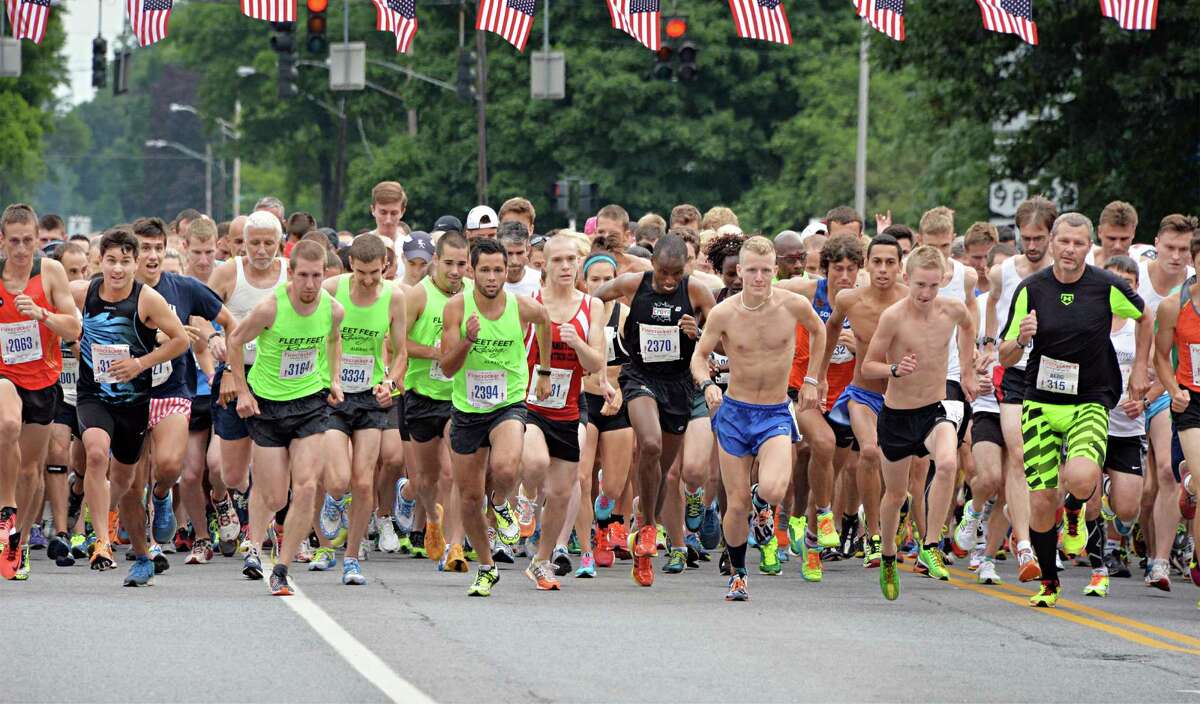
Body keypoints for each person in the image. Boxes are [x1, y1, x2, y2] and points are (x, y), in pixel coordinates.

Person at [999, 212, 1150, 608]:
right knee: (1040, 499)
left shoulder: (1106, 286)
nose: (1070, 250)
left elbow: (1145, 316)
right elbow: (1005, 352)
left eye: (1079, 244)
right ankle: (1049, 583)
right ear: (1052, 242)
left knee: (1081, 478)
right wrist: (1020, 338)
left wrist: (1139, 369)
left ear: (1090, 247)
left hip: (1090, 400)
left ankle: (1075, 510)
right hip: (1041, 402)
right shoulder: (1031, 289)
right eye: (1064, 242)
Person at [692, 236, 825, 601]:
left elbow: (819, 330)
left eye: (766, 271)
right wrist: (706, 385)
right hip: (735, 412)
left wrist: (814, 378)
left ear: (776, 271)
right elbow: (699, 356)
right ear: (739, 271)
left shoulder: (793, 305)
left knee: (773, 488)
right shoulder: (725, 313)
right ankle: (738, 574)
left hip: (775, 412)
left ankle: (762, 505)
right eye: (751, 270)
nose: (759, 278)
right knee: (735, 505)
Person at [594, 234, 717, 587]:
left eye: (675, 274)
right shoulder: (634, 284)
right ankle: (647, 526)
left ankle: (645, 533)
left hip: (679, 385)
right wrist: (593, 335)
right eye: (663, 272)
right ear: (653, 266)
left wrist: (701, 331)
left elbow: (720, 338)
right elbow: (590, 301)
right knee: (649, 445)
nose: (668, 281)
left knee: (662, 472)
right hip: (640, 377)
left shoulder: (696, 293)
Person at [70, 227, 189, 585]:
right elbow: (51, 303)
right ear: (99, 261)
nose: (117, 269)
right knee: (94, 453)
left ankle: (140, 553)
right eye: (111, 261)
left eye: (125, 262)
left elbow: (180, 340)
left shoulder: (147, 299)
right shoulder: (85, 292)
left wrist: (141, 363)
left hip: (132, 403)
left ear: (136, 263)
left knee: (128, 487)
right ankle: (102, 541)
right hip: (94, 395)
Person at [228, 240, 345, 596]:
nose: (311, 284)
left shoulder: (333, 309)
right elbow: (235, 341)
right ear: (291, 274)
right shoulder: (269, 309)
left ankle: (282, 568)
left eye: (318, 276)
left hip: (310, 402)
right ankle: (257, 542)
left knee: (308, 484)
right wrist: (243, 392)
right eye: (304, 276)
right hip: (267, 405)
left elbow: (334, 339)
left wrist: (335, 378)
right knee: (276, 496)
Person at [860, 246, 977, 600]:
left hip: (933, 409)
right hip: (896, 416)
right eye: (920, 286)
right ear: (906, 279)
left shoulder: (952, 309)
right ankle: (888, 556)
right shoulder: (894, 317)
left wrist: (968, 370)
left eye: (933, 286)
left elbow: (969, 327)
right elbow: (868, 366)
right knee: (895, 494)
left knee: (947, 463)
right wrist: (894, 369)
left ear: (943, 281)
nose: (926, 294)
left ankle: (931, 543)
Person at [439, 237, 551, 597]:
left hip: (508, 401)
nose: (491, 277)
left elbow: (545, 321)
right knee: (470, 497)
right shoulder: (457, 308)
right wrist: (468, 341)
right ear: (471, 271)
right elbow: (447, 367)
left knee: (505, 468)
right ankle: (487, 566)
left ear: (507, 272)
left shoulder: (520, 306)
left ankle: (501, 503)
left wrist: (545, 371)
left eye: (498, 270)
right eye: (484, 270)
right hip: (468, 408)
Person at [129, 217, 237, 562]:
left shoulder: (184, 288)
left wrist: (229, 364)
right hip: (127, 391)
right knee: (134, 475)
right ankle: (146, 545)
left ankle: (161, 495)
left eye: (158, 248)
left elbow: (230, 321)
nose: (152, 256)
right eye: (145, 248)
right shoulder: (116, 290)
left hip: (172, 390)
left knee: (170, 466)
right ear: (132, 253)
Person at [318, 234, 407, 585]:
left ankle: (352, 558)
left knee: (364, 479)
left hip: (371, 395)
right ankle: (333, 499)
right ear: (350, 265)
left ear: (384, 265)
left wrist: (392, 383)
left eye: (375, 272)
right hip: (334, 396)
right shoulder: (331, 289)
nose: (369, 280)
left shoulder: (393, 296)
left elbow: (401, 353)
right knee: (339, 480)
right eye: (361, 272)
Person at [815, 234, 908, 569]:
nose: (883, 269)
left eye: (890, 262)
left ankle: (902, 530)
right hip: (862, 393)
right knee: (868, 451)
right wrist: (820, 375)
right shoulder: (850, 299)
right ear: (867, 265)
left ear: (900, 267)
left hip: (903, 397)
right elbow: (829, 329)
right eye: (877, 262)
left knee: (904, 470)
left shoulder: (912, 301)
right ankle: (872, 535)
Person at [519, 235, 606, 589]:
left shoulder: (591, 307)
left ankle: (541, 561)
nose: (566, 267)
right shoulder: (529, 304)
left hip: (568, 409)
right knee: (536, 463)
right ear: (544, 264)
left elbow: (595, 363)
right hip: (529, 406)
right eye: (558, 261)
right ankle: (524, 500)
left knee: (559, 493)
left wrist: (577, 342)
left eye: (572, 260)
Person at [0, 204, 81, 581]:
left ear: (37, 241)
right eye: (13, 241)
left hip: (43, 379)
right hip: (4, 376)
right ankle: (5, 510)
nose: (20, 250)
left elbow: (74, 329)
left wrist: (42, 314)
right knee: (7, 424)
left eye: (27, 241)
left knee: (31, 470)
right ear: (2, 241)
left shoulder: (50, 272)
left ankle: (17, 540)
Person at [206, 210, 290, 559]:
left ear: (279, 244)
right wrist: (213, 337)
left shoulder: (289, 273)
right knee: (232, 472)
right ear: (243, 243)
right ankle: (227, 498)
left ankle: (263, 526)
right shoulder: (229, 272)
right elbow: (200, 310)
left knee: (269, 463)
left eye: (268, 243)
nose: (260, 250)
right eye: (254, 242)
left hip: (276, 379)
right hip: (234, 373)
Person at [984, 195, 1057, 582]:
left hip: (1057, 375)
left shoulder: (1069, 271)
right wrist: (987, 344)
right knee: (1017, 450)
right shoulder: (1004, 272)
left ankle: (1033, 520)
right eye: (1025, 238)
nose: (1031, 246)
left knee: (1046, 466)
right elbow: (992, 306)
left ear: (1052, 234)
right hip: (1016, 369)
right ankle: (1025, 543)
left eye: (1038, 238)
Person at [394, 232, 471, 567]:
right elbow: (395, 344)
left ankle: (456, 544)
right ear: (436, 260)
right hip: (421, 395)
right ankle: (433, 520)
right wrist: (435, 354)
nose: (455, 270)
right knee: (426, 478)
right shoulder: (417, 296)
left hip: (457, 397)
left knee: (453, 473)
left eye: (461, 264)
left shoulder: (472, 294)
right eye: (449, 263)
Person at [1135, 214, 1197, 585]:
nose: (1175, 256)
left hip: (1168, 390)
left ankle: (1160, 560)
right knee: (1142, 493)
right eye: (1169, 247)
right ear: (1155, 242)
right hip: (1128, 386)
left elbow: (1168, 359)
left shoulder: (1192, 291)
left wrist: (1162, 390)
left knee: (1166, 472)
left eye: (1183, 250)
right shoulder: (1136, 278)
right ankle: (1141, 533)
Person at [1085, 201, 1137, 268]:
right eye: (1111, 239)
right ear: (1099, 232)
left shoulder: (1142, 263)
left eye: (1124, 239)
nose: (1117, 246)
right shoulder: (1083, 259)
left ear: (1133, 233)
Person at [498, 221, 542, 297]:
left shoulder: (541, 282)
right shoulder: (488, 283)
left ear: (528, 250)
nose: (514, 261)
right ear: (498, 250)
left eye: (519, 253)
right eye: (509, 253)